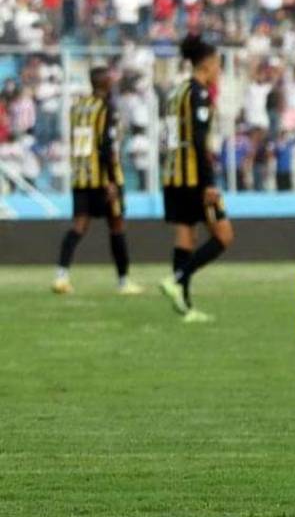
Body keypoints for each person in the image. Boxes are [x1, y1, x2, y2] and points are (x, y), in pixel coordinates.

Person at [158, 35, 235, 322]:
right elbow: (199, 140)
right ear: (208, 63)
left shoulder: (176, 92)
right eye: (217, 64)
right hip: (194, 178)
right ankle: (176, 279)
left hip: (173, 174)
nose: (218, 70)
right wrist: (209, 183)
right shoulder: (199, 93)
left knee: (186, 236)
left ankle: (185, 306)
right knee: (224, 235)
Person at [51, 66, 143, 295]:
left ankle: (61, 276)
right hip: (103, 177)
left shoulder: (79, 106)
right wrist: (111, 180)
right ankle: (123, 281)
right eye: (110, 80)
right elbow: (106, 146)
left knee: (79, 226)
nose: (113, 84)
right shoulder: (106, 108)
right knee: (117, 225)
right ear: (103, 83)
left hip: (81, 176)